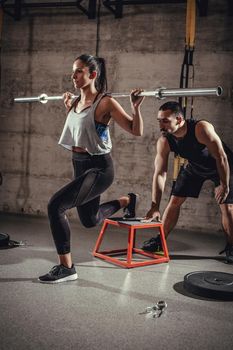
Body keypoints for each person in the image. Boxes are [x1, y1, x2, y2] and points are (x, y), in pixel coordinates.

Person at [39, 54, 144, 283]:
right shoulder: (75, 102)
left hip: (99, 169)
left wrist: (135, 107)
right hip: (79, 165)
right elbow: (80, 133)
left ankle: (67, 268)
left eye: (78, 71)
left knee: (56, 206)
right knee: (90, 220)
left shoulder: (105, 102)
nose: (73, 76)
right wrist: (69, 108)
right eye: (73, 71)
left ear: (93, 74)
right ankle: (128, 200)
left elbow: (136, 130)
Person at [142, 101, 233, 264]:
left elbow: (221, 157)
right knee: (174, 201)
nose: (161, 126)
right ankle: (160, 240)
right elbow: (160, 173)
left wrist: (224, 185)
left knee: (227, 207)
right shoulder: (165, 141)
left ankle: (231, 247)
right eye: (159, 121)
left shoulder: (201, 128)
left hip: (222, 167)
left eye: (165, 121)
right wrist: (155, 206)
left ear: (178, 119)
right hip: (195, 166)